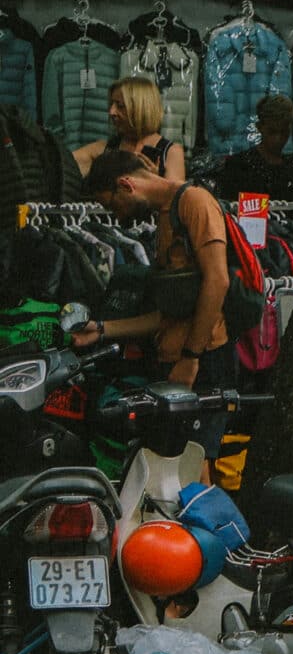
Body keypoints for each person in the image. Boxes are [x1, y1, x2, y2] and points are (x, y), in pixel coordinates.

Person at [72, 150, 231, 451]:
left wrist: (191, 358)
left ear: (126, 185)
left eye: (112, 204)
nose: (117, 217)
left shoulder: (195, 202)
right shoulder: (166, 215)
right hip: (177, 361)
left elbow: (218, 280)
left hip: (204, 361)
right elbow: (168, 314)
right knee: (173, 466)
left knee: (193, 466)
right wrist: (102, 329)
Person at [72, 76, 185, 183]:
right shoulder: (102, 149)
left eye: (120, 106)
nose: (111, 112)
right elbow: (63, 163)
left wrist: (156, 183)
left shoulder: (171, 152)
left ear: (141, 108)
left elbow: (176, 200)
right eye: (111, 104)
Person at [211, 94, 293, 204]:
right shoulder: (238, 167)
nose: (277, 139)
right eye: (272, 131)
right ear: (259, 127)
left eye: (283, 132)